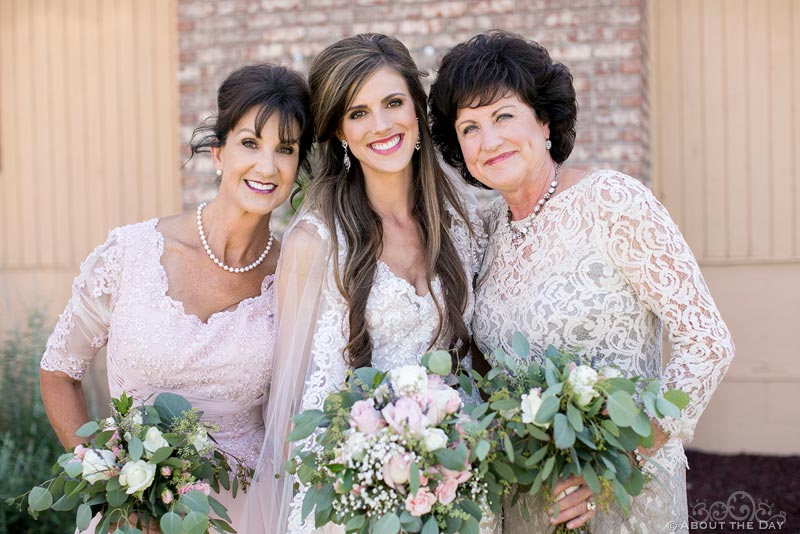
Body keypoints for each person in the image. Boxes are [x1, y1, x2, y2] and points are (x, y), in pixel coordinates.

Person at [429, 31, 735, 534]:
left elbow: (707, 343)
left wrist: (615, 462)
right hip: (526, 498)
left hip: (622, 495)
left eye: (504, 116)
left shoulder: (612, 202)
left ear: (544, 120)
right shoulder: (486, 231)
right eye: (470, 127)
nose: (490, 141)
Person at [39, 63, 314, 532]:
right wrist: (107, 476)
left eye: (285, 150)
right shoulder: (131, 252)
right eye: (250, 143)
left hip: (247, 514)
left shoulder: (295, 272)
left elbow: (299, 408)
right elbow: (59, 373)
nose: (267, 167)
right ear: (218, 153)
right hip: (134, 514)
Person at [243, 34, 494, 533]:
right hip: (352, 500)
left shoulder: (462, 222)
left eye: (393, 103)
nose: (381, 125)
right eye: (358, 113)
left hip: (458, 490)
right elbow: (295, 401)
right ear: (339, 131)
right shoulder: (316, 242)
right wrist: (367, 481)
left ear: (417, 113)